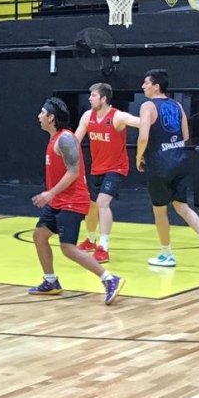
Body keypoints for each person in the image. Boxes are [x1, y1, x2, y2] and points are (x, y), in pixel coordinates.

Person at [29, 97, 125, 306]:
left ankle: (110, 279)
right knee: (39, 235)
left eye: (42, 112)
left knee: (68, 248)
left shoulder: (66, 139)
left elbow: (73, 172)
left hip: (73, 201)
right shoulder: (54, 138)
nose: (39, 116)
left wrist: (49, 193)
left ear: (51, 117)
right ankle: (51, 281)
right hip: (58, 201)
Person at [136, 70, 199, 268]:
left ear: (156, 86)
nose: (143, 86)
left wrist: (139, 156)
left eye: (146, 83)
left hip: (160, 163)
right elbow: (185, 134)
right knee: (182, 205)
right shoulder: (177, 105)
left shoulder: (147, 106)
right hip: (180, 160)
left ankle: (166, 254)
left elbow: (143, 137)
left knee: (159, 210)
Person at [74, 82, 140, 263]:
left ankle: (103, 248)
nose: (89, 98)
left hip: (116, 168)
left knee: (102, 203)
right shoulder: (88, 116)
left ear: (103, 98)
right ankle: (90, 240)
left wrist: (152, 121)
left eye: (93, 96)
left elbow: (138, 122)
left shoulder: (117, 117)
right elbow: (75, 140)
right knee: (91, 206)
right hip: (97, 168)